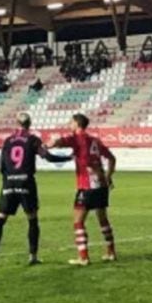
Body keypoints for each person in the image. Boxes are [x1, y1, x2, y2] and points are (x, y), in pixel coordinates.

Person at [0, 113, 71, 268]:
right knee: (32, 219)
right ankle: (33, 256)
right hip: (26, 183)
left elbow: (1, 165)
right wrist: (68, 158)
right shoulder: (33, 140)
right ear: (29, 123)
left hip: (9, 183)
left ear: (16, 123)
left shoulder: (8, 141)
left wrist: (8, 178)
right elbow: (48, 156)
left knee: (0, 220)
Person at [52, 113, 118, 266]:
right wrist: (108, 176)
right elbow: (112, 158)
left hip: (87, 187)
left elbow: (62, 141)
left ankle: (83, 257)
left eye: (71, 122)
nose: (69, 125)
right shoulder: (95, 140)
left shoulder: (78, 137)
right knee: (103, 219)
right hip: (101, 185)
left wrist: (52, 143)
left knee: (78, 222)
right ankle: (111, 252)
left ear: (77, 123)